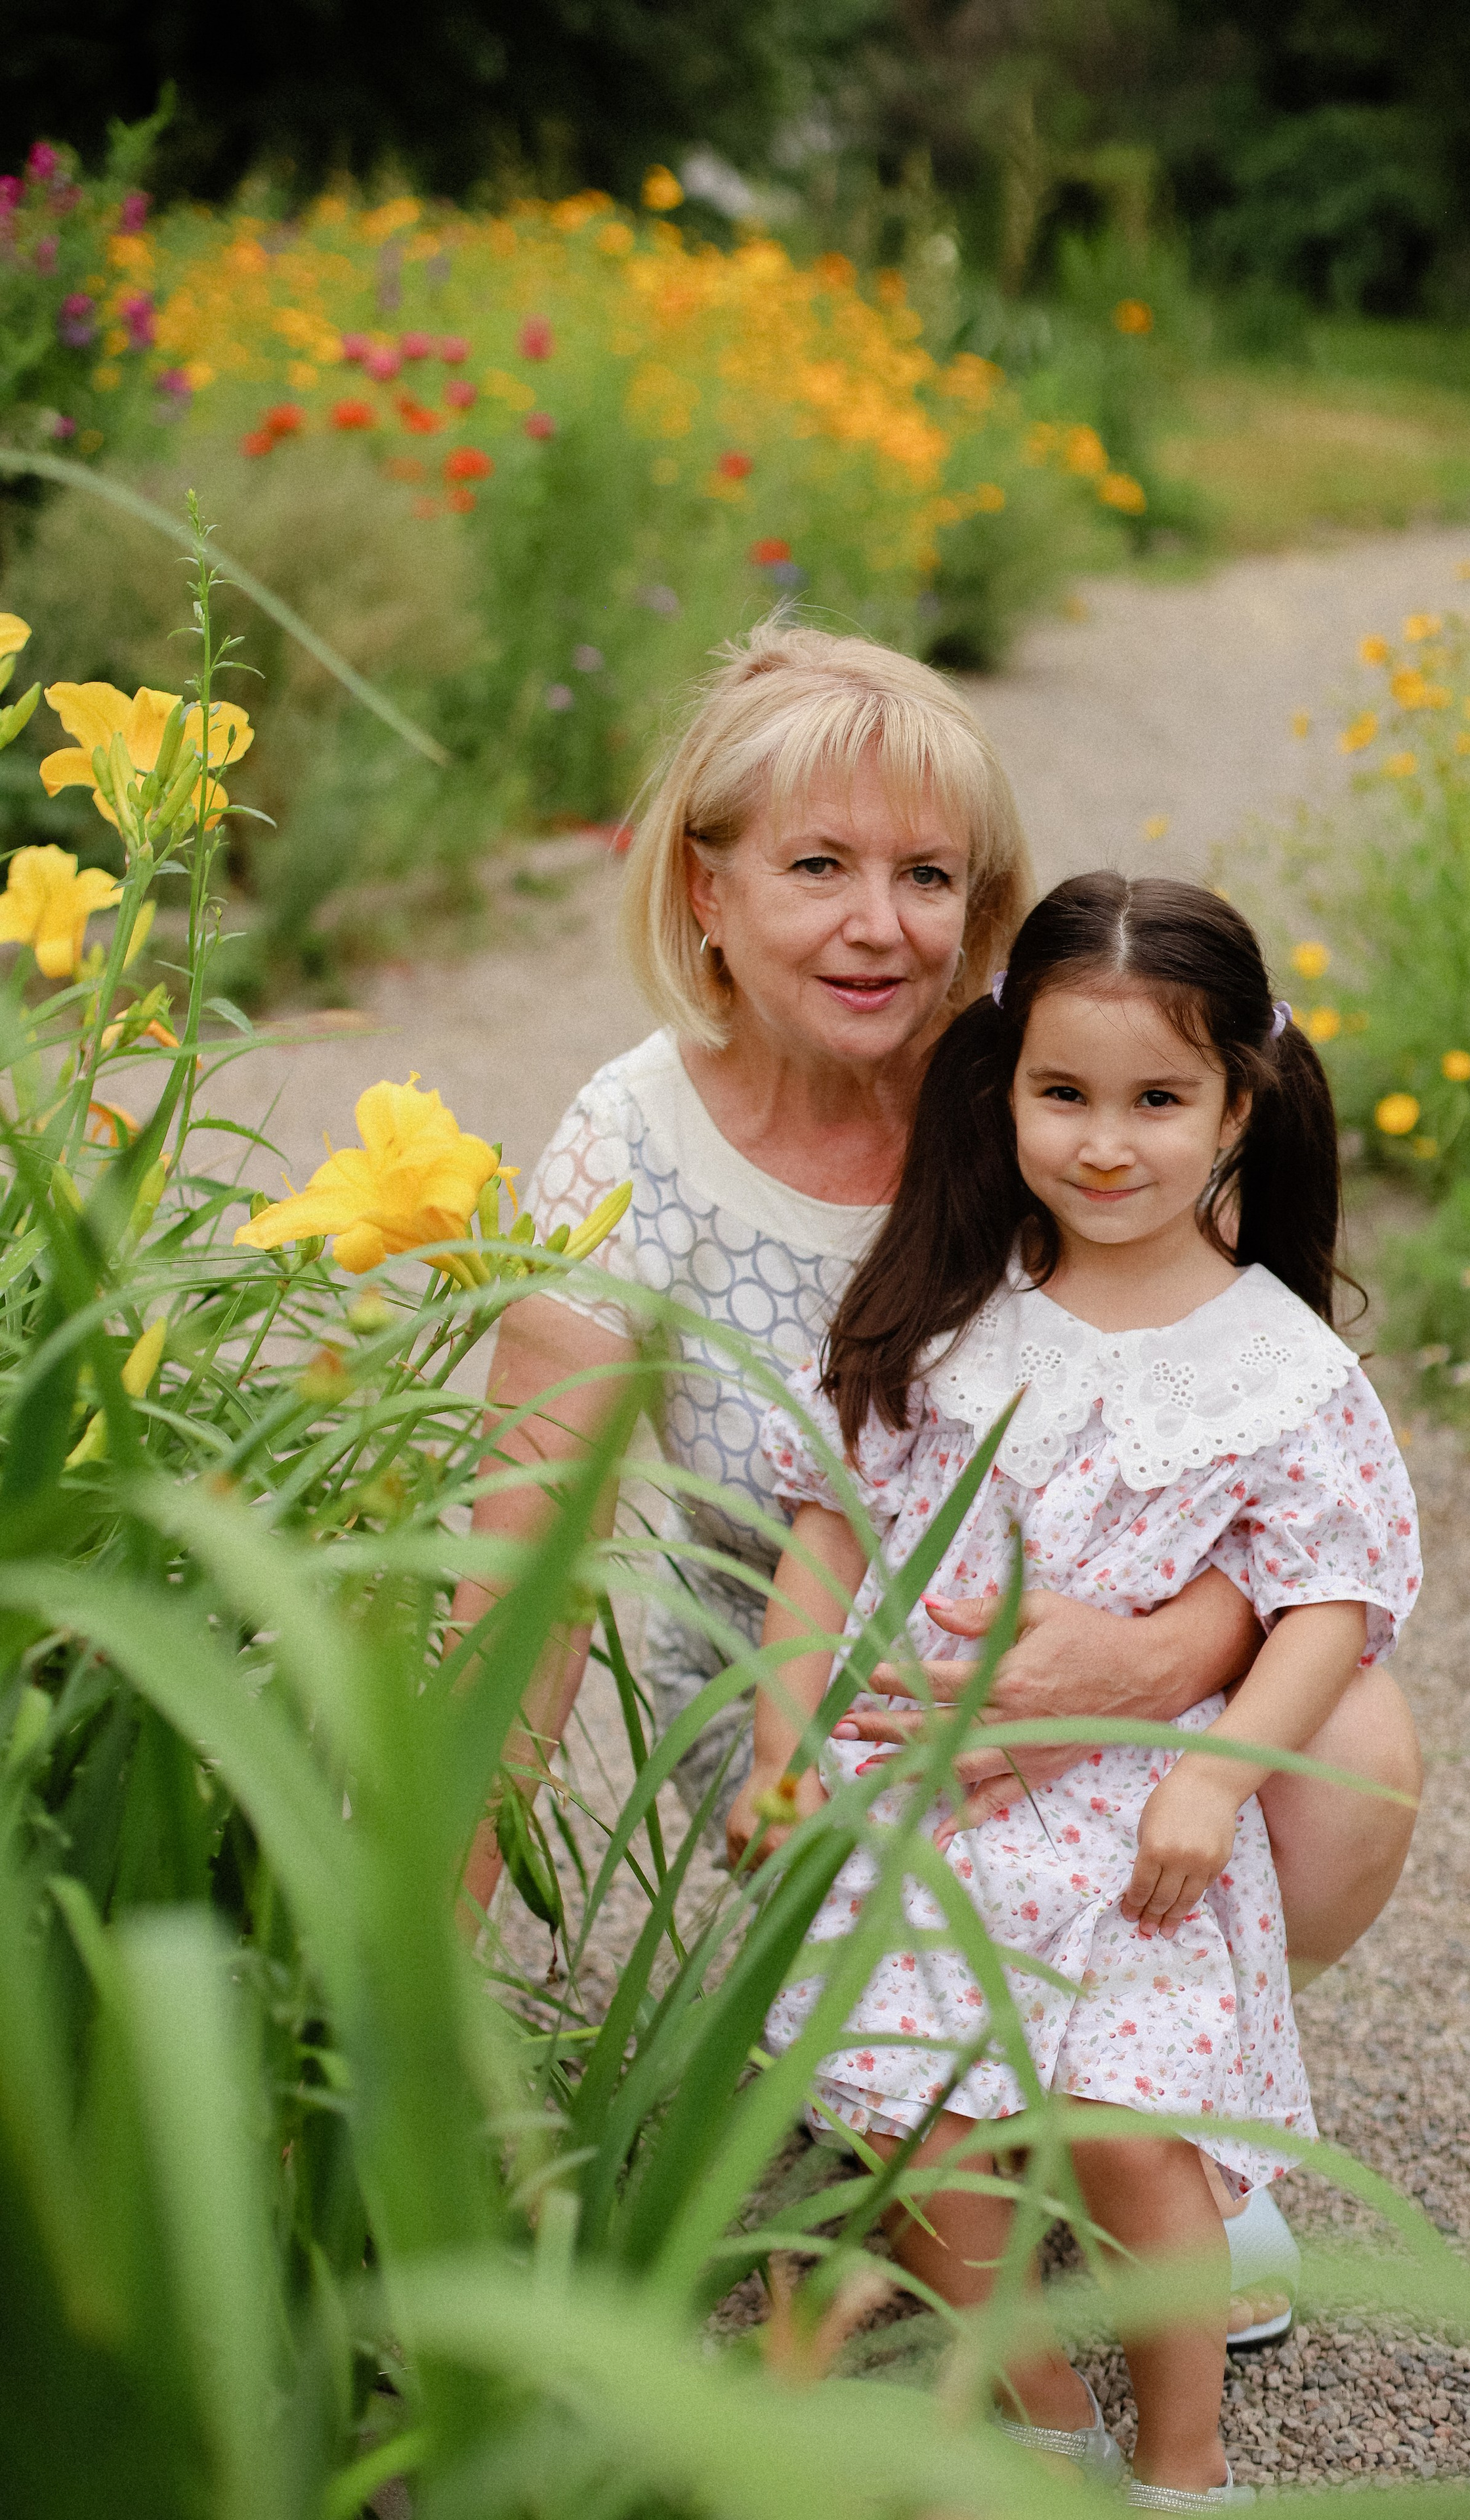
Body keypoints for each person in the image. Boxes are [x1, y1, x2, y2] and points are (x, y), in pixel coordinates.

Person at [452, 623, 1419, 2334]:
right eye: (816, 864)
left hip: (1118, 1647)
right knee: (937, 2120)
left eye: (926, 875)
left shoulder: (1056, 1095)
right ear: (706, 886)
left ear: (981, 906)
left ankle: (1177, 2115)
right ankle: (958, 2089)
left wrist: (1158, 1659)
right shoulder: (627, 1149)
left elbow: (1254, 1434)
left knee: (1352, 1752)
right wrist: (416, 1961)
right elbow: (522, 1571)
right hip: (822, 1693)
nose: (876, 924)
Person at [726, 872, 1421, 2498]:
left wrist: (1215, 1775)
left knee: (1124, 2134)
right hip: (922, 1794)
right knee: (931, 2133)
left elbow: (1334, 1597)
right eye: (1063, 1095)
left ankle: (1185, 2467)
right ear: (1004, 1086)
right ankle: (1036, 2413)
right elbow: (828, 1531)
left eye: (1157, 1101)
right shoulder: (947, 1306)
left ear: (1239, 1103)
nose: (1105, 1143)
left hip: (1126, 1814)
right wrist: (781, 1739)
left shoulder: (1274, 1361)